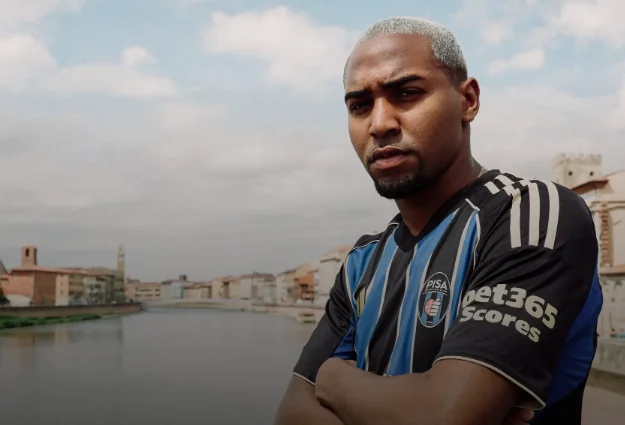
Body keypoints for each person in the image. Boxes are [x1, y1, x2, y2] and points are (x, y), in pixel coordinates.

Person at [274, 16, 602, 425]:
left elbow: (445, 416)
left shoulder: (532, 214)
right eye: (360, 105)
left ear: (468, 101)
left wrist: (334, 380)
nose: (379, 124)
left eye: (407, 93)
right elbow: (292, 414)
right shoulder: (362, 263)